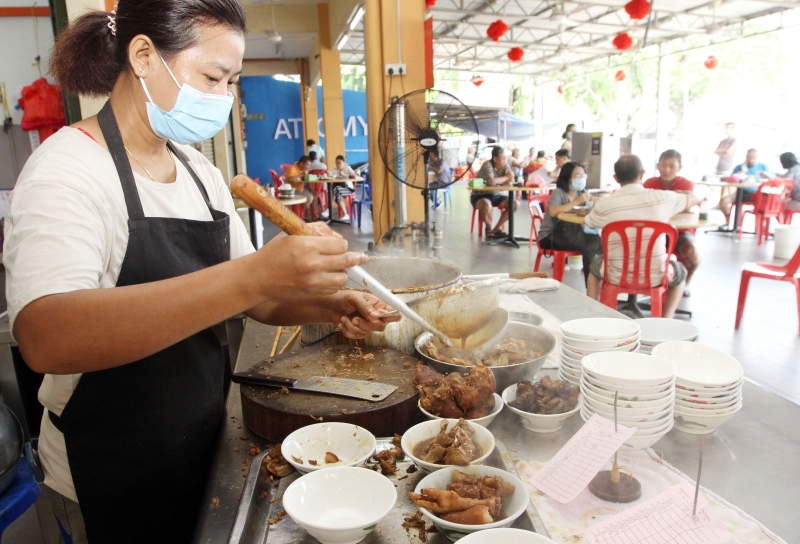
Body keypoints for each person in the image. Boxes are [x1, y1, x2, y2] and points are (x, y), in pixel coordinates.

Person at [5, 4, 400, 541]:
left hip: (202, 438)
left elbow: (253, 299)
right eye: (212, 77)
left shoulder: (198, 171)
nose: (225, 96)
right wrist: (255, 275)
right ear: (143, 56)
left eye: (232, 81)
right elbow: (46, 336)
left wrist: (328, 305)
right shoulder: (68, 169)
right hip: (110, 468)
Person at [584, 155, 700, 319]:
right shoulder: (663, 198)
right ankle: (665, 320)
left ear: (616, 178)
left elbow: (587, 224)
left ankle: (594, 314)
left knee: (595, 266)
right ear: (642, 174)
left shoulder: (604, 205)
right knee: (680, 271)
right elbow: (694, 199)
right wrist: (682, 193)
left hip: (615, 274)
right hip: (656, 275)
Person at [644, 149, 700, 293]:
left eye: (672, 166)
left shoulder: (687, 184)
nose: (667, 170)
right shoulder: (649, 182)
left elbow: (688, 203)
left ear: (679, 168)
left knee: (693, 254)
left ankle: (685, 283)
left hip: (681, 230)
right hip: (655, 230)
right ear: (658, 166)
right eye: (663, 165)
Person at [535, 162, 602, 284]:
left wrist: (596, 203)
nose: (581, 179)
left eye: (583, 176)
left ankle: (594, 284)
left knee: (596, 241)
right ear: (567, 178)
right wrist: (577, 202)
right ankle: (592, 286)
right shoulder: (559, 193)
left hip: (571, 233)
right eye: (577, 176)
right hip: (550, 236)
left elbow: (591, 203)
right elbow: (553, 211)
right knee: (591, 243)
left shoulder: (582, 192)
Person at [472, 146, 517, 239]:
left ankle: (496, 229)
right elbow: (492, 182)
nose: (505, 160)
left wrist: (499, 180)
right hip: (479, 195)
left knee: (515, 204)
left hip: (495, 195)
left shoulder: (505, 164)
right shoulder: (487, 165)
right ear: (495, 158)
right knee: (486, 204)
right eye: (503, 158)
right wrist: (505, 178)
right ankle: (488, 227)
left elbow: (511, 179)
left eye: (505, 158)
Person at [719, 148, 771, 225]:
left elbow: (773, 179)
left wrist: (766, 175)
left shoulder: (763, 167)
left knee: (770, 203)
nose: (751, 160)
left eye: (753, 158)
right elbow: (728, 179)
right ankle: (727, 220)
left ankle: (761, 227)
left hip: (756, 193)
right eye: (749, 157)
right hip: (740, 192)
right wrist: (737, 176)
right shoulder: (740, 167)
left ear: (757, 157)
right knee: (723, 201)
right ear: (746, 156)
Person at [327, 154, 356, 220]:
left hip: (349, 189)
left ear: (344, 163)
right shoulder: (336, 169)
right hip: (340, 190)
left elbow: (354, 175)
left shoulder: (347, 168)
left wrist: (344, 175)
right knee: (333, 189)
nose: (338, 165)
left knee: (335, 189)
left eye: (339, 163)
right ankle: (345, 214)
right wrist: (329, 173)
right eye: (337, 163)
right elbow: (331, 174)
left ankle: (329, 209)